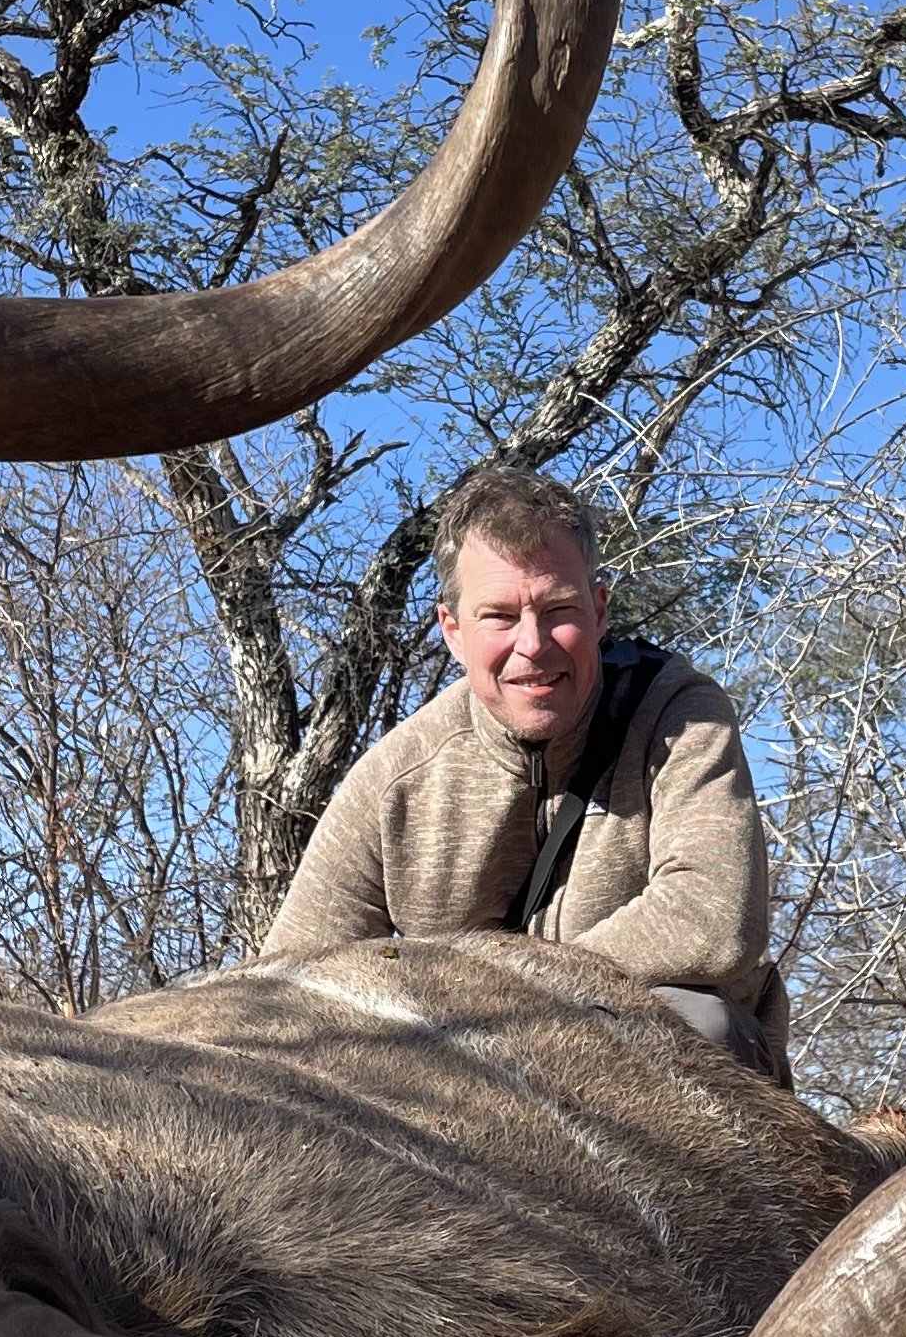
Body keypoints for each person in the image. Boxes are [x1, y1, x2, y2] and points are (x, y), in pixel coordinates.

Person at [260, 461, 789, 1081]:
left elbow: (713, 921)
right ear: (452, 631)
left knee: (702, 1025)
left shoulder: (679, 714)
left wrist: (480, 1002)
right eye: (500, 617)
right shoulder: (396, 775)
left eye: (558, 608)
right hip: (460, 1076)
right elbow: (283, 989)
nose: (533, 645)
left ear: (599, 610)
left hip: (621, 1054)